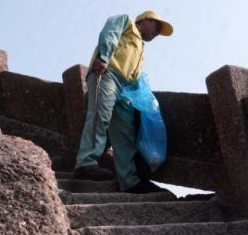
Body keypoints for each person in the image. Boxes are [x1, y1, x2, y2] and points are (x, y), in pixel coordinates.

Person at [73, 11, 173, 193]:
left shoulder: (141, 47)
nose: (156, 33)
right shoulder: (127, 21)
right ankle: (86, 162)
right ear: (146, 20)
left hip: (126, 89)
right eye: (156, 27)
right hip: (108, 73)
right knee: (100, 115)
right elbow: (109, 33)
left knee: (125, 134)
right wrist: (103, 56)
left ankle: (129, 181)